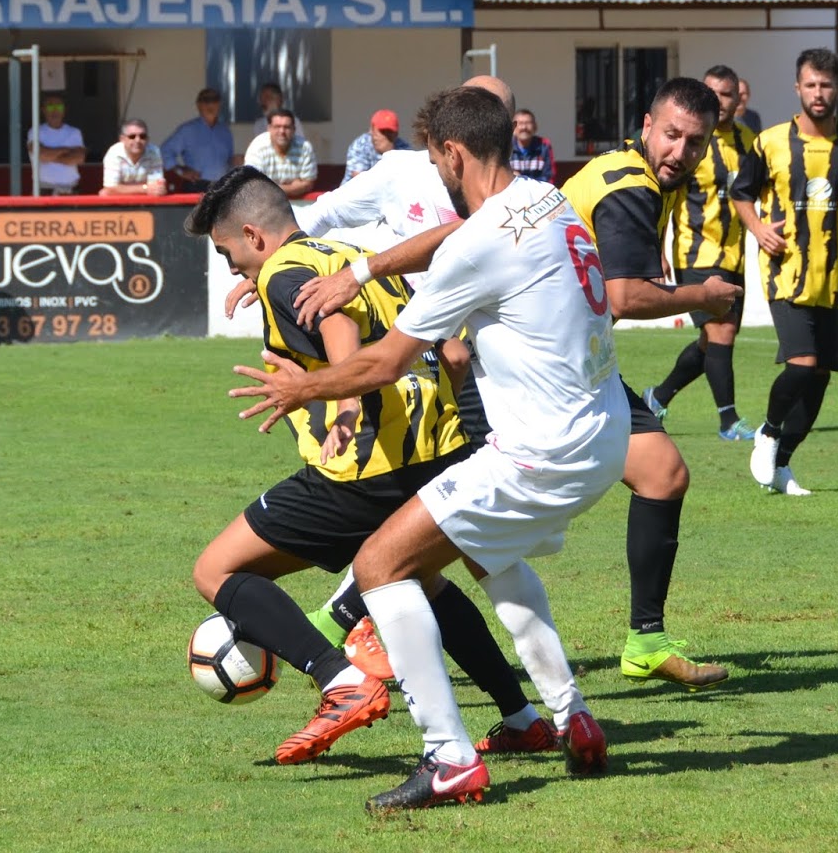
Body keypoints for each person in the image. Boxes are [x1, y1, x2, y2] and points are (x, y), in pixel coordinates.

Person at [227, 85, 626, 812]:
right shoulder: (545, 197)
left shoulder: (476, 245)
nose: (435, 175)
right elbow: (454, 236)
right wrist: (361, 271)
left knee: (379, 565)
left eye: (436, 161)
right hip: (604, 434)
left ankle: (449, 760)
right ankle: (571, 716)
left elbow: (384, 364)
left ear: (453, 152)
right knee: (489, 556)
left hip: (541, 453)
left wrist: (302, 389)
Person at [182, 165, 556, 769]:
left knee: (216, 570)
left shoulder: (282, 272)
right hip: (437, 452)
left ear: (253, 235)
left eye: (228, 253)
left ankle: (339, 680)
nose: (231, 269)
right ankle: (523, 721)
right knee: (422, 581)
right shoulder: (352, 256)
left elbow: (335, 326)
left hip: (364, 466)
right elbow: (448, 349)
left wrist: (347, 403)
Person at [561, 78, 738, 688]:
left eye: (695, 143)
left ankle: (646, 641)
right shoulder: (631, 187)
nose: (680, 152)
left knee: (663, 473)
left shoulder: (625, 172)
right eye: (671, 135)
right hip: (533, 368)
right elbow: (626, 297)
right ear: (646, 126)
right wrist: (702, 296)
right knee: (474, 511)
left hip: (573, 361)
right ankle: (347, 617)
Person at [731, 47, 838, 497]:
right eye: (811, 85)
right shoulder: (771, 142)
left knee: (819, 378)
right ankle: (768, 431)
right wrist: (759, 228)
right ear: (797, 88)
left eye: (826, 85)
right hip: (786, 270)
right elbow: (741, 193)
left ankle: (781, 463)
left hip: (833, 278)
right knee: (802, 365)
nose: (818, 93)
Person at [642, 65, 761, 441]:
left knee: (712, 341)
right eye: (712, 92)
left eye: (726, 94)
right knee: (722, 332)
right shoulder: (691, 142)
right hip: (696, 253)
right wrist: (658, 248)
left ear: (739, 99)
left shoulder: (748, 140)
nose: (719, 101)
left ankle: (658, 397)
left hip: (734, 254)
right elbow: (666, 195)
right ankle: (729, 420)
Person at [161, 88, 233, 193]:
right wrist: (180, 171)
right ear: (198, 105)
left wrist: (235, 160)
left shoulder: (225, 131)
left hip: (221, 186)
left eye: (214, 100)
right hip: (197, 185)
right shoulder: (187, 130)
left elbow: (228, 160)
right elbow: (165, 151)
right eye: (206, 100)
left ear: (219, 104)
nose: (210, 104)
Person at [243, 109, 317, 198]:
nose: (282, 131)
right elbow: (253, 185)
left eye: (287, 127)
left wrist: (269, 186)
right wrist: (293, 187)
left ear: (294, 129)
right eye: (277, 127)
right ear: (269, 128)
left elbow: (308, 184)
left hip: (297, 202)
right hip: (263, 202)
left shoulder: (305, 147)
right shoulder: (257, 147)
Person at [28, 95, 86, 195]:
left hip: (70, 190)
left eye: (59, 107)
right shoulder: (35, 131)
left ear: (64, 110)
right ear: (43, 110)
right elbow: (41, 155)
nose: (55, 110)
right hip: (44, 190)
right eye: (50, 107)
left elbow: (79, 158)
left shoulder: (74, 132)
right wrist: (67, 151)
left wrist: (49, 156)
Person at [100, 119, 167, 197]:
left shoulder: (154, 152)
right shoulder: (114, 153)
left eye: (142, 136)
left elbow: (156, 188)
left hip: (145, 202)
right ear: (122, 139)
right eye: (132, 136)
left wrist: (120, 189)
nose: (137, 140)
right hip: (119, 202)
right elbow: (110, 188)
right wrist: (145, 188)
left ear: (147, 139)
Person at [342, 109, 408, 184]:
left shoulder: (403, 148)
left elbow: (408, 177)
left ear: (396, 134)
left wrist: (389, 152)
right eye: (382, 131)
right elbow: (359, 181)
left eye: (390, 132)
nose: (386, 136)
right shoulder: (361, 145)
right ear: (372, 131)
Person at [510, 109, 556, 183]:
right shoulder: (506, 146)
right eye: (520, 123)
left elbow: (549, 176)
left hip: (539, 189)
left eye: (528, 123)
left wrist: (525, 182)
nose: (524, 127)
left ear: (535, 126)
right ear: (513, 127)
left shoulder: (544, 145)